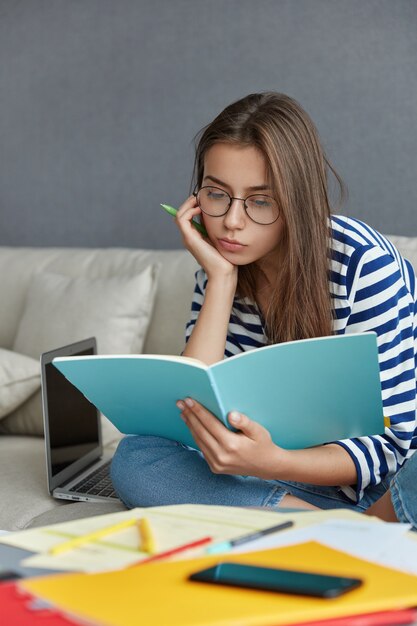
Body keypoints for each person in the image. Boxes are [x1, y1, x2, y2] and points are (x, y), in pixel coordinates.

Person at [111, 92, 417, 513]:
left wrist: (276, 461)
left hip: (368, 486)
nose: (231, 222)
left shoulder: (363, 264)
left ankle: (325, 522)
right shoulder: (221, 264)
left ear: (297, 201)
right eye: (217, 195)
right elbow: (193, 414)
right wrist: (220, 281)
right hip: (267, 477)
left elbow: (389, 448)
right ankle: (318, 525)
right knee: (136, 457)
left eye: (260, 201)